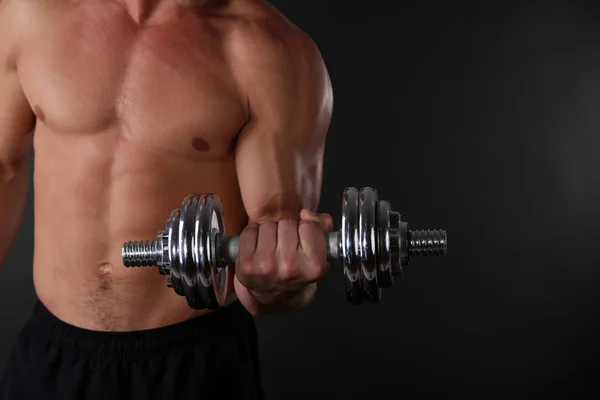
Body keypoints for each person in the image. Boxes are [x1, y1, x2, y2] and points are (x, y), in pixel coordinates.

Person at [0, 0, 333, 398]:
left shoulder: (271, 51)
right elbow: (4, 168)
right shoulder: (30, 12)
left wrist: (275, 283)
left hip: (192, 365)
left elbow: (276, 247)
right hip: (52, 355)